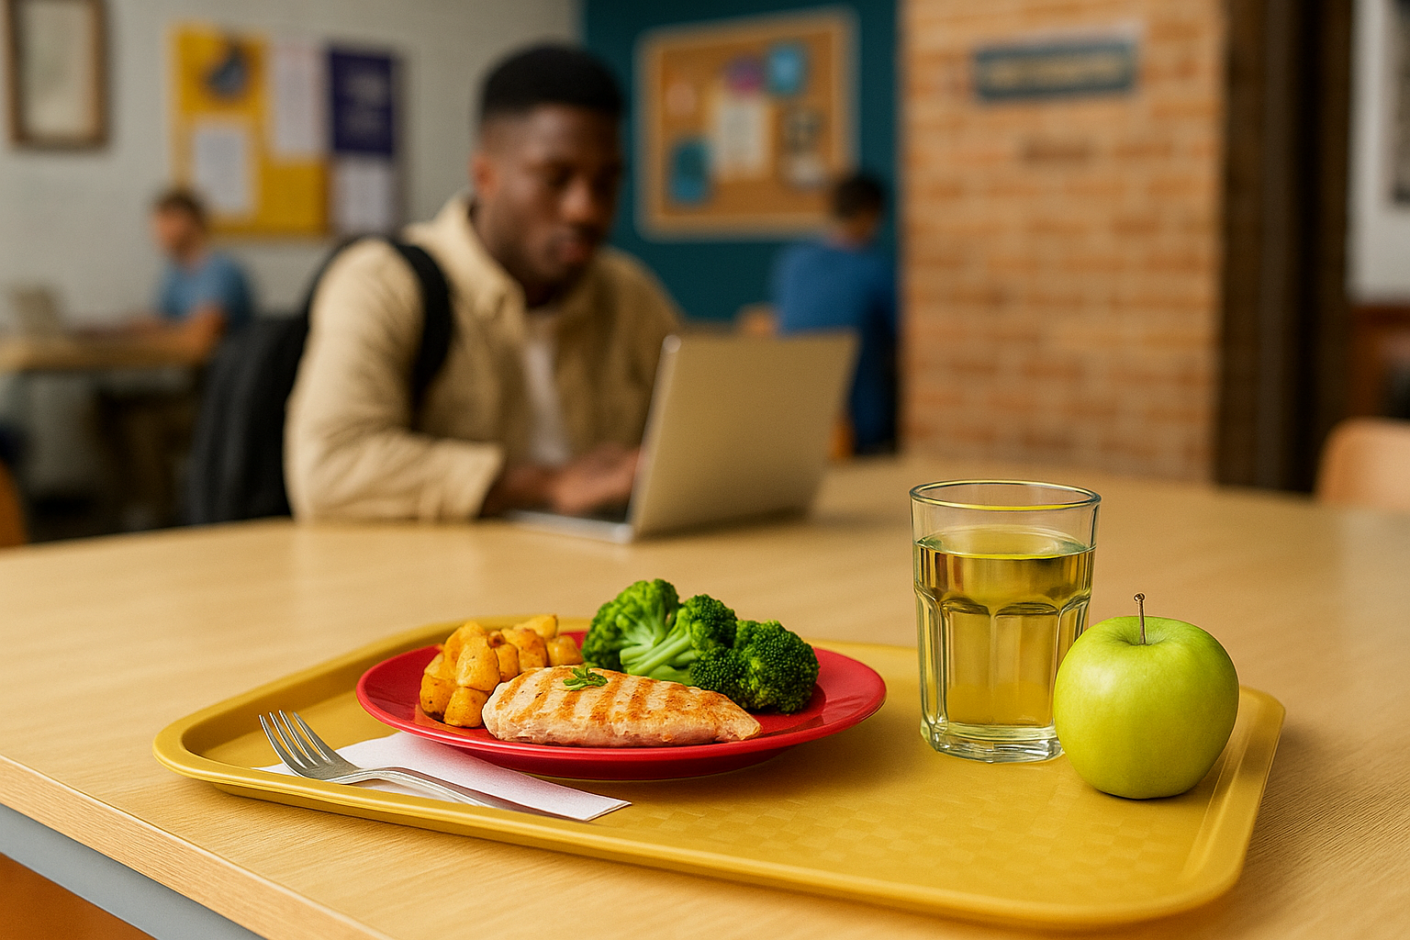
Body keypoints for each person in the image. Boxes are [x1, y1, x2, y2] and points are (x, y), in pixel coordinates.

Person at [285, 44, 682, 522]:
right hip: (437, 584)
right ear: (484, 175)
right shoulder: (382, 281)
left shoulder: (628, 290)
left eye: (606, 182)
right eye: (556, 178)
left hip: (596, 578)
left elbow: (699, 435)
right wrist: (544, 483)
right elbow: (328, 470)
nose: (587, 209)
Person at [771, 172, 898, 454]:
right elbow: (901, 334)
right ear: (871, 214)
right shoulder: (875, 269)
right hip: (861, 423)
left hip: (796, 417)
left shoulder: (793, 261)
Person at [148, 188, 255, 356]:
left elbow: (204, 333)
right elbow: (161, 322)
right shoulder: (176, 274)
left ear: (192, 221)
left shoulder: (221, 271)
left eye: (168, 220)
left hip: (224, 371)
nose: (160, 230)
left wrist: (164, 331)